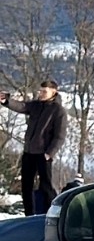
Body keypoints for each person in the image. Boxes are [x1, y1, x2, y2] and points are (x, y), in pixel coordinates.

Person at [5, 77, 65, 216]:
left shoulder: (58, 111)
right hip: (29, 152)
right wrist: (6, 101)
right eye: (40, 91)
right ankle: (29, 215)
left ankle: (53, 214)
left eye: (44, 91)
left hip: (44, 154)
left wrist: (49, 153)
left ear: (53, 92)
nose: (41, 94)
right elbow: (22, 106)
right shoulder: (36, 106)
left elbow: (60, 136)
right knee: (26, 186)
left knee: (46, 186)